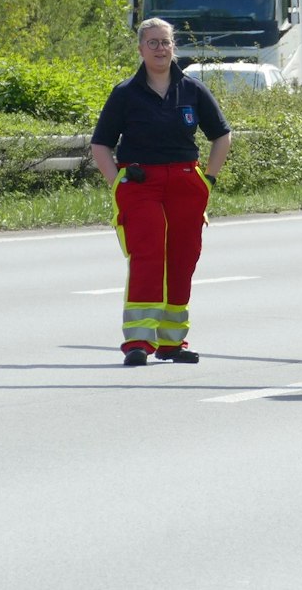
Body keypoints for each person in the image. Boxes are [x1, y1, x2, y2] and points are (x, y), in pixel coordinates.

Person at [90, 18, 232, 366]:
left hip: (185, 182)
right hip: (140, 183)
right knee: (148, 254)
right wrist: (117, 184)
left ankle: (172, 342)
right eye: (152, 43)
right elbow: (101, 145)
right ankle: (138, 340)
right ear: (140, 49)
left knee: (182, 259)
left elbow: (222, 136)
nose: (160, 49)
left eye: (165, 42)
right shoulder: (125, 93)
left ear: (174, 47)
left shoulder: (193, 89)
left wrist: (208, 180)